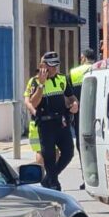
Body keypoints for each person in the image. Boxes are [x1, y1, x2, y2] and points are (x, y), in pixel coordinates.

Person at [27, 51, 78, 191]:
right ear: (42, 66)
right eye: (51, 66)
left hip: (61, 122)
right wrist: (41, 85)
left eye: (56, 66)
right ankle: (54, 183)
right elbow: (33, 103)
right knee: (48, 156)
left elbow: (71, 97)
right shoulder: (34, 81)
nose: (54, 69)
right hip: (45, 124)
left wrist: (74, 104)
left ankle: (49, 178)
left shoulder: (62, 79)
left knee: (68, 153)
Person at [70, 49, 95, 189]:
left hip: (81, 116)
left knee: (83, 146)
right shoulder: (101, 68)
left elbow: (69, 96)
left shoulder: (74, 72)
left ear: (83, 58)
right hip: (99, 115)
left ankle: (87, 178)